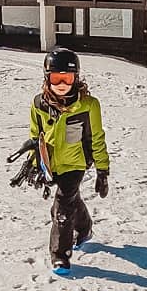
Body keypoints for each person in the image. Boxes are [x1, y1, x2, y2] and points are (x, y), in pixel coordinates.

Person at [29, 47, 110, 274]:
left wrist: (103, 171)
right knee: (71, 199)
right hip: (52, 164)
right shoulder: (39, 104)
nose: (62, 83)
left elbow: (97, 137)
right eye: (56, 78)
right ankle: (84, 229)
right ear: (47, 78)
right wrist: (35, 164)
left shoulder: (88, 105)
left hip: (76, 164)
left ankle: (60, 256)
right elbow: (36, 137)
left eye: (68, 78)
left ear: (76, 78)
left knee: (61, 208)